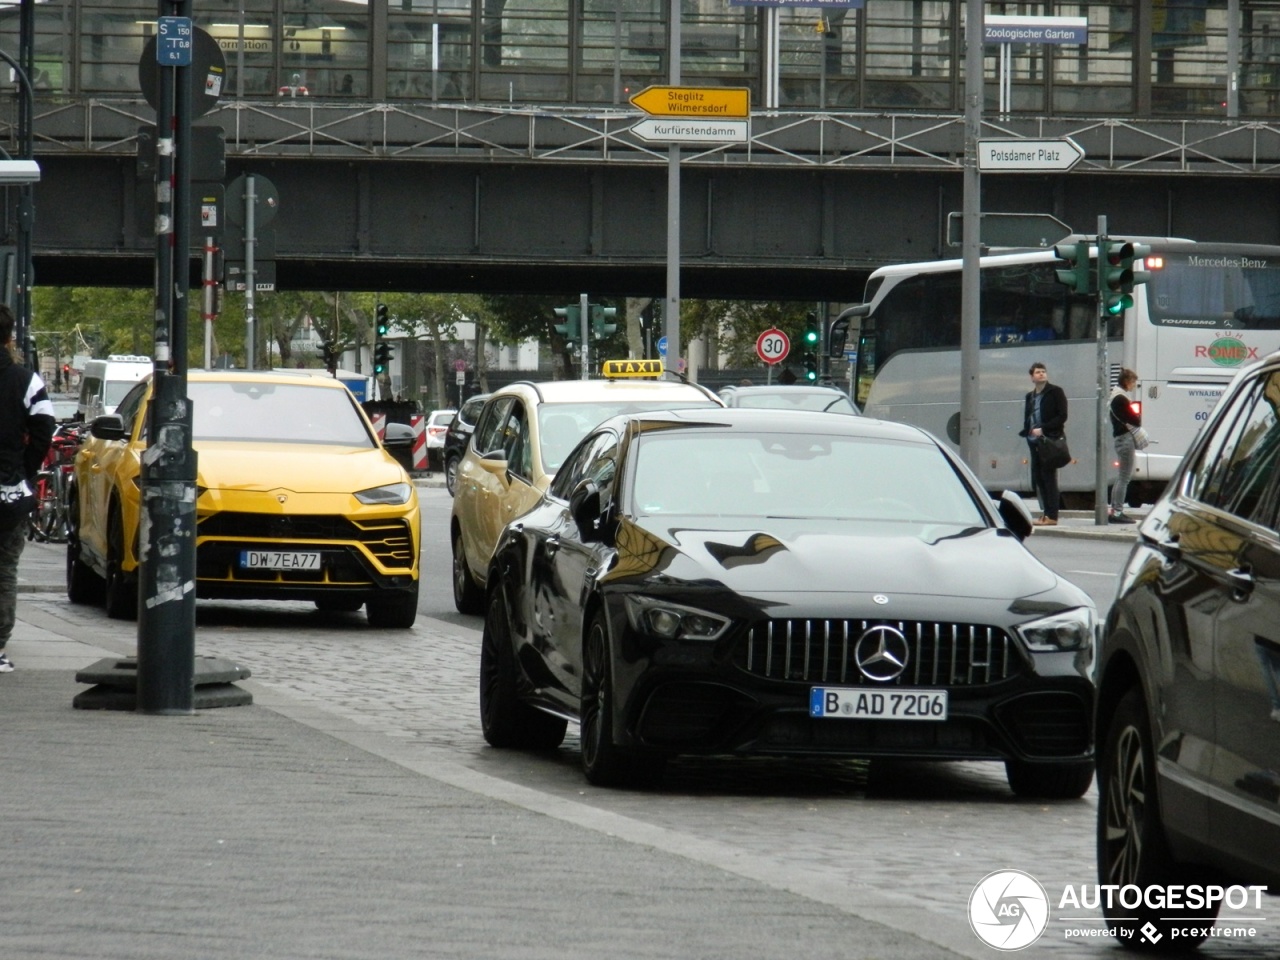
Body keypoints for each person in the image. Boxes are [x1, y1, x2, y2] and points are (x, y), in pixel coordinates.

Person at [0, 305, 56, 673]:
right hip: (7, 491)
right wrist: (26, 469)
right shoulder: (25, 380)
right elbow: (45, 426)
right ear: (8, 338)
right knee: (5, 569)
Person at [1019, 360, 1068, 526]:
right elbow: (1028, 417)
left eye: (1043, 371)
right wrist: (1027, 432)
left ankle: (1052, 515)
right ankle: (1045, 514)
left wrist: (1044, 429)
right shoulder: (1030, 396)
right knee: (1038, 478)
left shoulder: (1055, 392)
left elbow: (1062, 416)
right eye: (1038, 372)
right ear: (1032, 377)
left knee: (1049, 478)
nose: (1041, 374)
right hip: (1033, 441)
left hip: (1049, 440)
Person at [1108, 368, 1142, 524]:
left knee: (1121, 477)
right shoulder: (1121, 399)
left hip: (1119, 439)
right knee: (1124, 478)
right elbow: (1136, 420)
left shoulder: (1115, 396)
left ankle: (1115, 510)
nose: (1134, 385)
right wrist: (1136, 415)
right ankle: (1118, 512)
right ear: (1127, 382)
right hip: (1125, 439)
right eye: (1133, 382)